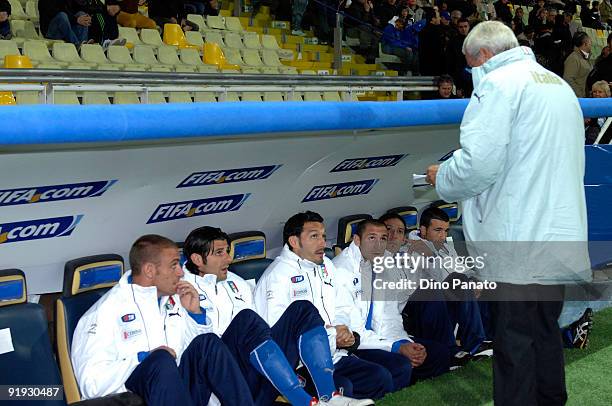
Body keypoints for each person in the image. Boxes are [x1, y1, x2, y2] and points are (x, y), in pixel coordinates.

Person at [426, 20, 590, 406]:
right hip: (558, 234)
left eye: (470, 66)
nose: (471, 75)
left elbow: (478, 166)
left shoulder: (497, 87)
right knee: (545, 332)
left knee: (513, 341)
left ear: (483, 56)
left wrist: (442, 176)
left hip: (518, 238)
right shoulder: (558, 86)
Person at [182, 226, 373, 406]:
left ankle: (329, 397)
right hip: (220, 383)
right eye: (219, 253)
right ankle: (303, 401)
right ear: (198, 259)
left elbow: (261, 333)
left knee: (302, 309)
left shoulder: (237, 283)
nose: (228, 259)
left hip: (252, 372)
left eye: (227, 251)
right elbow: (192, 350)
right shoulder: (182, 291)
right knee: (246, 319)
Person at [71, 235, 255, 405]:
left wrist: (195, 316)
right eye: (174, 265)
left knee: (208, 343)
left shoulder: (174, 299)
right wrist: (142, 358)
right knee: (161, 360)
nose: (181, 273)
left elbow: (190, 357)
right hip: (136, 398)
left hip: (178, 393)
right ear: (150, 270)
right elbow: (91, 385)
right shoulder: (104, 312)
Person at [254, 211, 400, 401]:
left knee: (380, 377)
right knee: (343, 387)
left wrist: (343, 330)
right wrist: (332, 336)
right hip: (299, 365)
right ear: (294, 242)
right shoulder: (277, 276)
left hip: (334, 354)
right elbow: (279, 336)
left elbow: (340, 308)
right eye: (314, 236)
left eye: (323, 236)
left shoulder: (327, 266)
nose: (323, 243)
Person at [332, 219, 451, 380]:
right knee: (400, 365)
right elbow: (354, 332)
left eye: (383, 238)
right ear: (357, 240)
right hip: (354, 344)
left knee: (439, 353)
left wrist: (404, 342)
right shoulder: (342, 269)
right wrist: (396, 347)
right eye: (372, 238)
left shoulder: (383, 264)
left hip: (380, 337)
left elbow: (390, 316)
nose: (378, 245)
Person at [564, 31, 593, 98]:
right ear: (585, 44)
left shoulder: (585, 57)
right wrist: (580, 95)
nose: (591, 44)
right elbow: (568, 79)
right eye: (590, 42)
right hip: (578, 98)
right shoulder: (573, 58)